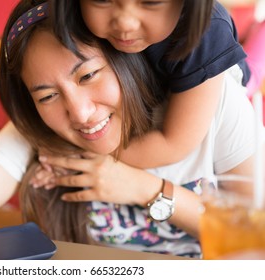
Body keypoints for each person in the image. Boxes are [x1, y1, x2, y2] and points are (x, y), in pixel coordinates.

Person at [0, 0, 258, 258]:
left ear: (127, 58)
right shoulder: (38, 129)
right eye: (46, 96)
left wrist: (144, 189)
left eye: (88, 75)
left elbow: (258, 234)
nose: (79, 113)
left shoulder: (215, 102)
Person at [47, 0, 252, 170]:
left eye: (151, 1)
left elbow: (173, 144)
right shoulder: (72, 15)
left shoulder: (206, 35)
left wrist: (80, 151)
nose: (125, 23)